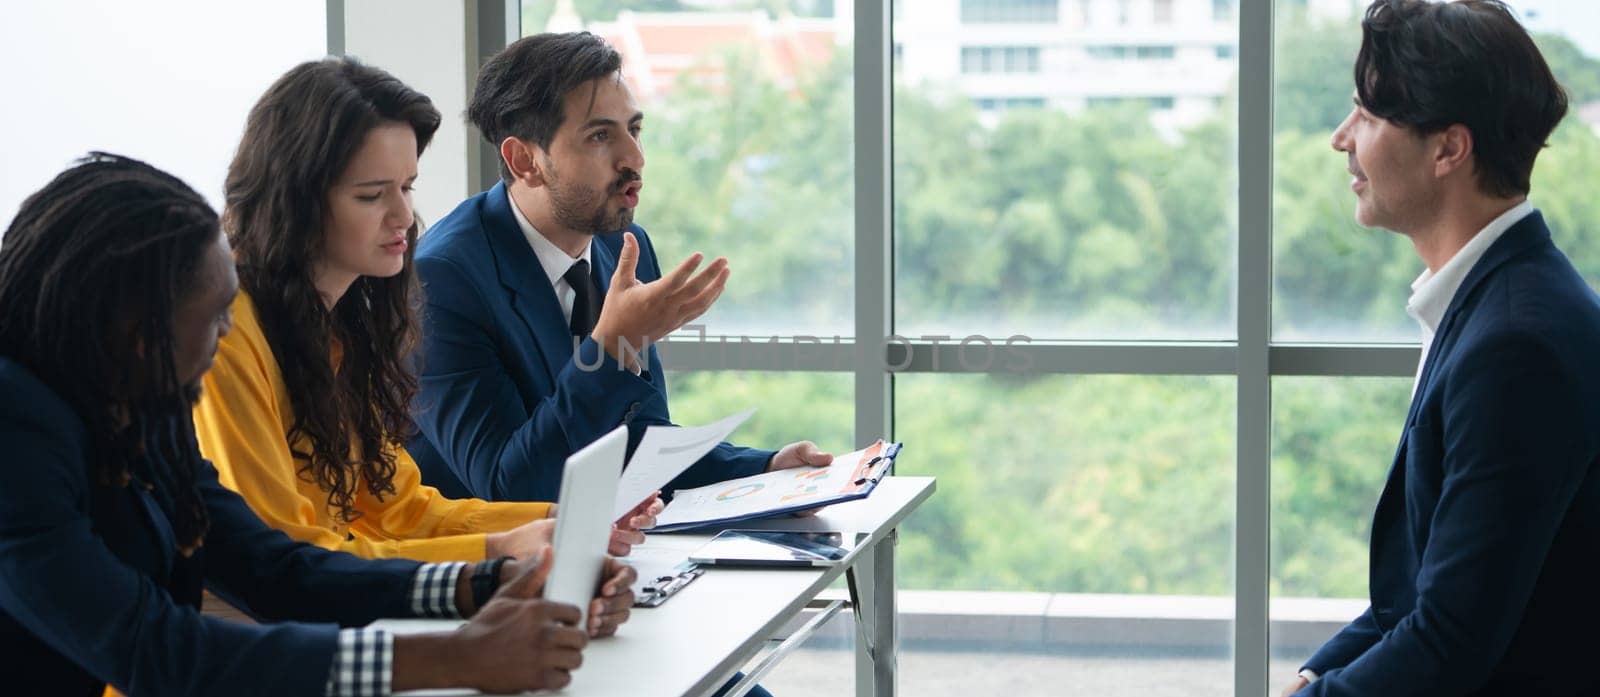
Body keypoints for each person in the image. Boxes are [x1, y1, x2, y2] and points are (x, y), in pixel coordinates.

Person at [0, 153, 635, 696]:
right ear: (138, 329)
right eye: (215, 313)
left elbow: (274, 569)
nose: (226, 332)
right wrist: (449, 656)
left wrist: (488, 584)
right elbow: (153, 648)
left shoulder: (140, 405)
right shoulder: (17, 429)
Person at [192, 57, 657, 568]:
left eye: (407, 187)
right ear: (294, 200)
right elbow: (283, 556)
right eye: (372, 195)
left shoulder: (343, 319)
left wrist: (561, 517)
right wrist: (499, 550)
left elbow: (400, 510)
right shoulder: (226, 333)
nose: (403, 217)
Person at [1281, 2, 1600, 695]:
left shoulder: (1518, 342)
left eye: (1367, 115)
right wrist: (1316, 674)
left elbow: (1450, 637)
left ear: (1448, 149)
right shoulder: (1494, 300)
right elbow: (1424, 592)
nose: (1342, 139)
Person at [408, 31, 833, 504]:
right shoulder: (439, 281)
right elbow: (512, 487)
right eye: (599, 136)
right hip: (481, 565)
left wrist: (765, 468)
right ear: (525, 160)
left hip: (597, 545)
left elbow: (638, 441)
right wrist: (609, 348)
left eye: (634, 129)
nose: (635, 158)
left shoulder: (622, 246)